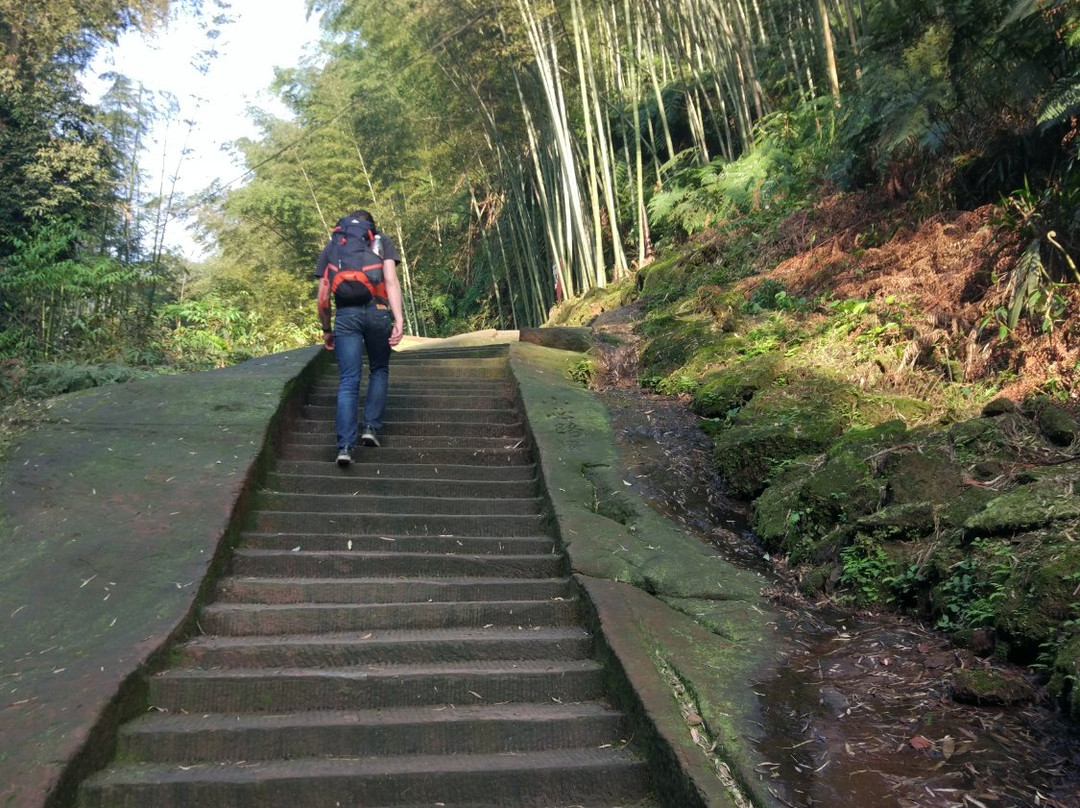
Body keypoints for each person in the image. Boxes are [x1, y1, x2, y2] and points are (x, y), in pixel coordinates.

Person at [315, 209, 405, 467]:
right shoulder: (382, 241)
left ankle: (344, 447)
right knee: (378, 368)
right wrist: (398, 319)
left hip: (345, 316)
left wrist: (326, 328)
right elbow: (390, 280)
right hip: (378, 312)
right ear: (371, 227)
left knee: (348, 380)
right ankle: (370, 429)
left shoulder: (334, 247)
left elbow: (323, 295)